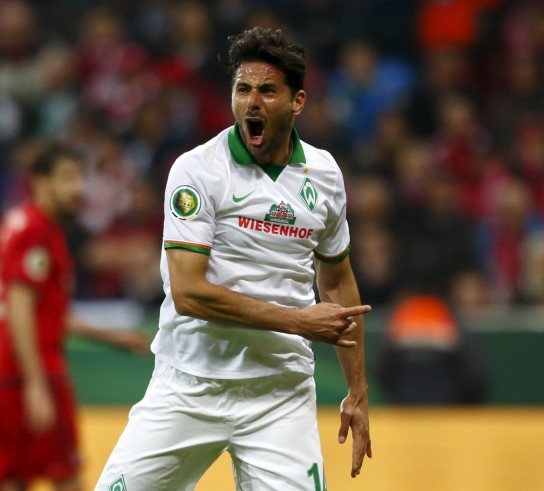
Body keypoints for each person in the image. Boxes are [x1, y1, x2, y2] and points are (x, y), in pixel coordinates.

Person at [95, 27, 372, 490]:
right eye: (243, 89)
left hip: (279, 391)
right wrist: (299, 322)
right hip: (191, 383)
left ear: (297, 102)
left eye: (267, 90)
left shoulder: (324, 174)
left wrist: (357, 392)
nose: (252, 102)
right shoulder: (197, 170)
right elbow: (188, 294)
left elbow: (339, 282)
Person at [0, 143, 150, 491]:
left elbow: (48, 313)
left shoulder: (19, 223)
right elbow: (20, 307)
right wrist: (36, 382)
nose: (78, 188)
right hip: (33, 372)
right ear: (39, 181)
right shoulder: (37, 230)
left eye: (80, 178)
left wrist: (113, 338)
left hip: (0, 374)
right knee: (66, 477)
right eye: (67, 178)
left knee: (11, 480)